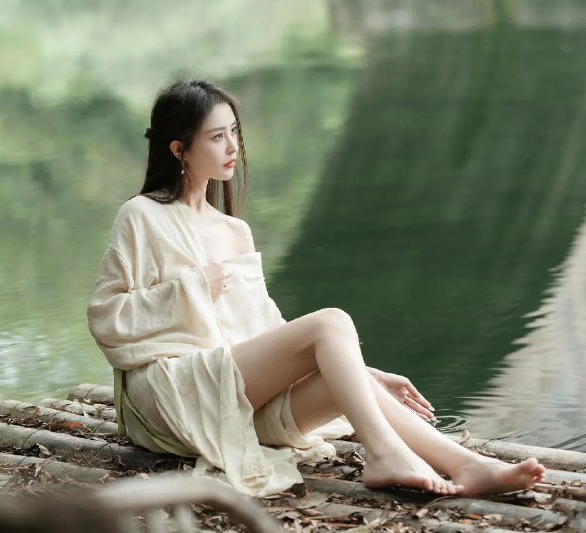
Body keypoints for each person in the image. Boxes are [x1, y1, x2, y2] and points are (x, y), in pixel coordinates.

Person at [87, 79, 546, 498]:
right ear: (179, 149)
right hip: (173, 395)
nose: (233, 147)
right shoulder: (142, 215)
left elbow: (266, 330)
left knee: (339, 375)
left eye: (234, 132)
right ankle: (385, 455)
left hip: (235, 397)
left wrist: (361, 370)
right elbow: (107, 317)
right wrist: (189, 289)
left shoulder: (234, 231)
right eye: (217, 136)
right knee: (331, 322)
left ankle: (468, 466)